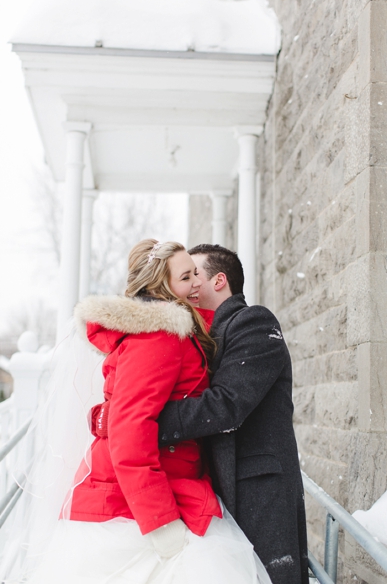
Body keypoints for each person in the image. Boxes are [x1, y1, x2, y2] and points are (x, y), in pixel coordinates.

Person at [1, 240, 271, 583]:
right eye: (186, 277)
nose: (195, 284)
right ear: (163, 286)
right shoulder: (160, 337)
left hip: (165, 486)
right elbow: (130, 430)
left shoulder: (176, 331)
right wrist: (160, 524)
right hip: (136, 507)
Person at [93, 244, 309, 583]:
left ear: (219, 280)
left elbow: (226, 405)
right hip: (209, 488)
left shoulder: (253, 323)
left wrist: (132, 422)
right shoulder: (188, 334)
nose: (191, 283)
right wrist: (122, 415)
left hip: (253, 490)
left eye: (196, 274)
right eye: (184, 276)